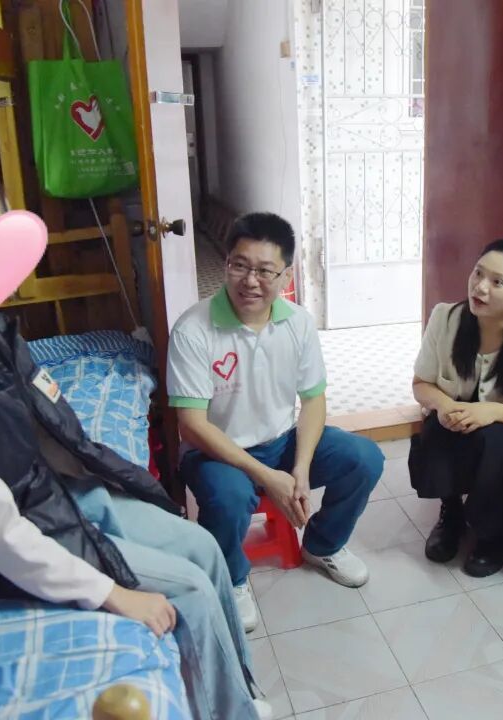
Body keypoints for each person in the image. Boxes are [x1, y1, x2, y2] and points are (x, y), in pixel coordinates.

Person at [0, 152, 271, 720]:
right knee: (187, 587)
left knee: (203, 547)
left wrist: (108, 480)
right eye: (0, 231)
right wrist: (113, 593)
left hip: (42, 496)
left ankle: (241, 693)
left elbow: (39, 428)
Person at [168, 212, 383, 632]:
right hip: (216, 452)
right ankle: (231, 577)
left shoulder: (297, 322)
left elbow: (314, 400)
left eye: (265, 271)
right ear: (226, 263)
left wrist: (299, 468)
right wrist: (267, 476)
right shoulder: (194, 329)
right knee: (229, 499)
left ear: (286, 275)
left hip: (282, 443)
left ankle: (323, 544)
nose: (250, 281)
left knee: (364, 458)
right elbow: (191, 425)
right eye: (240, 265)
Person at [410, 239, 503, 576]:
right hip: (455, 421)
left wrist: (490, 411)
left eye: (498, 282)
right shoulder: (445, 318)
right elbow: (421, 384)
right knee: (436, 428)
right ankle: (451, 513)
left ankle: (495, 534)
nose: (480, 287)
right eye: (478, 273)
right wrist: (445, 405)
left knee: (497, 445)